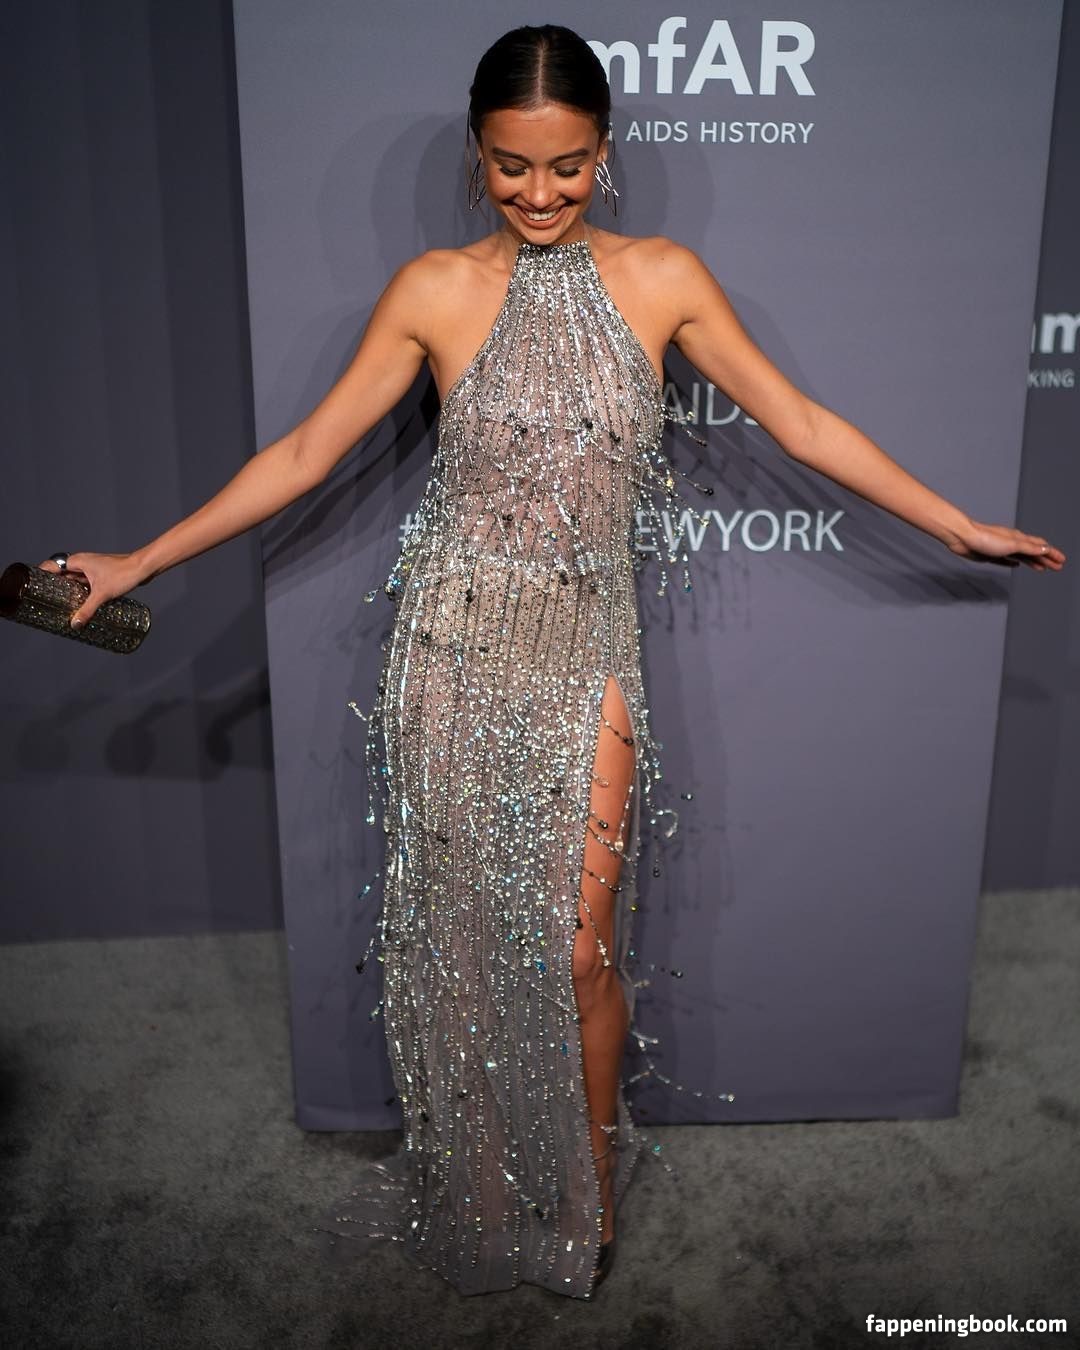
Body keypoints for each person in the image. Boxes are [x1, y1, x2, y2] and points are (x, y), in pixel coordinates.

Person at [40, 23, 1064, 1303]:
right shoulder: (430, 291)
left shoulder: (665, 278)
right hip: (450, 651)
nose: (538, 194)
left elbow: (803, 423)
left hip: (587, 655)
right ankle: (480, 1183)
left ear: (605, 152)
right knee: (459, 944)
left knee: (577, 952)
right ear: (477, 154)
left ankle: (584, 1190)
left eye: (567, 167)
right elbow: (301, 456)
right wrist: (139, 560)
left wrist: (954, 522)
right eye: (512, 166)